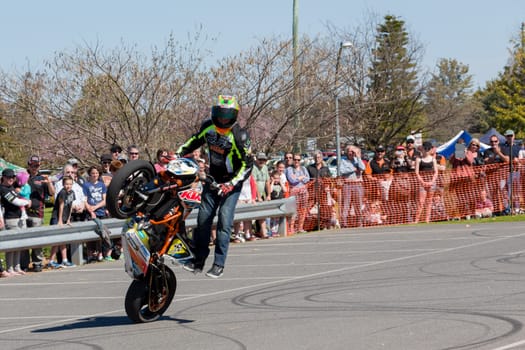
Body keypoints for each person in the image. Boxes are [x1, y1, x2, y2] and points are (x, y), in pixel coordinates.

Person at [177, 95, 253, 278]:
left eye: (227, 116)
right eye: (220, 115)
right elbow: (194, 141)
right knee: (203, 221)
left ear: (234, 116)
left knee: (225, 222)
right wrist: (177, 154)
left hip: (231, 184)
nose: (222, 119)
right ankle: (199, 260)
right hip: (212, 180)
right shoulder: (208, 127)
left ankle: (219, 263)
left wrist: (231, 184)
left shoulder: (240, 135)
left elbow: (247, 165)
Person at [20, 155, 54, 272]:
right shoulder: (23, 177)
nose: (34, 167)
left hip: (37, 213)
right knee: (23, 239)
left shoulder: (42, 178)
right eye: (32, 165)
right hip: (23, 212)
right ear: (28, 165)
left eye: (37, 165)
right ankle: (24, 263)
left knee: (36, 239)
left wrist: (49, 182)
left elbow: (51, 193)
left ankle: (37, 262)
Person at [0, 168, 32, 275]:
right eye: (8, 177)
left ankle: (17, 267)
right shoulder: (3, 189)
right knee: (11, 245)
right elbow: (15, 201)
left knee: (18, 244)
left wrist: (26, 201)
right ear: (3, 177)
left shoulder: (12, 188)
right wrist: (26, 202)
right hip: (11, 219)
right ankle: (10, 268)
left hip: (19, 218)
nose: (10, 179)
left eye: (12, 177)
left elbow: (20, 198)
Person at [48, 176, 76, 268]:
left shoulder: (72, 192)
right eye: (66, 184)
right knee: (57, 241)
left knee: (63, 240)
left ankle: (64, 260)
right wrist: (59, 220)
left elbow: (70, 205)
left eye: (70, 184)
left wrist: (68, 219)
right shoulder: (62, 192)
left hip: (64, 218)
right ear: (63, 184)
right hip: (57, 218)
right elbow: (61, 206)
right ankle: (51, 261)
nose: (68, 186)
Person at [339, 145, 366, 227]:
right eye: (350, 151)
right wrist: (353, 169)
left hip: (358, 185)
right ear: (347, 152)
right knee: (346, 204)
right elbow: (341, 170)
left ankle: (359, 222)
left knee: (358, 204)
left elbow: (363, 168)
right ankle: (344, 223)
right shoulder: (343, 161)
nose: (351, 153)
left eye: (353, 151)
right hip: (347, 184)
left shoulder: (357, 160)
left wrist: (358, 157)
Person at [415, 141, 438, 223]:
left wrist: (432, 181)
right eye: (425, 149)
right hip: (422, 183)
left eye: (428, 149)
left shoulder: (433, 159)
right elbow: (416, 172)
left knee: (429, 201)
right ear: (422, 149)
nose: (427, 150)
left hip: (431, 182)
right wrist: (422, 181)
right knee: (421, 201)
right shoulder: (418, 159)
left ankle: (427, 219)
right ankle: (417, 219)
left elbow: (436, 172)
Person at [286, 154, 310, 233]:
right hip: (294, 192)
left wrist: (298, 178)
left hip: (303, 191)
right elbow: (292, 180)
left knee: (303, 210)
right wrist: (301, 177)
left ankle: (300, 227)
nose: (297, 161)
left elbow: (307, 179)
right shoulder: (289, 169)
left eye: (298, 160)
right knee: (294, 210)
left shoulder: (303, 168)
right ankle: (291, 228)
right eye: (295, 159)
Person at [251, 152, 270, 238]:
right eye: (260, 159)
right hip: (254, 194)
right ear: (257, 159)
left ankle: (263, 232)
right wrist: (258, 196)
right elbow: (254, 183)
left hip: (263, 193)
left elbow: (267, 181)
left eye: (263, 160)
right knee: (253, 215)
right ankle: (251, 232)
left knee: (262, 213)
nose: (262, 161)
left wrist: (268, 194)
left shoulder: (265, 167)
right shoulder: (253, 168)